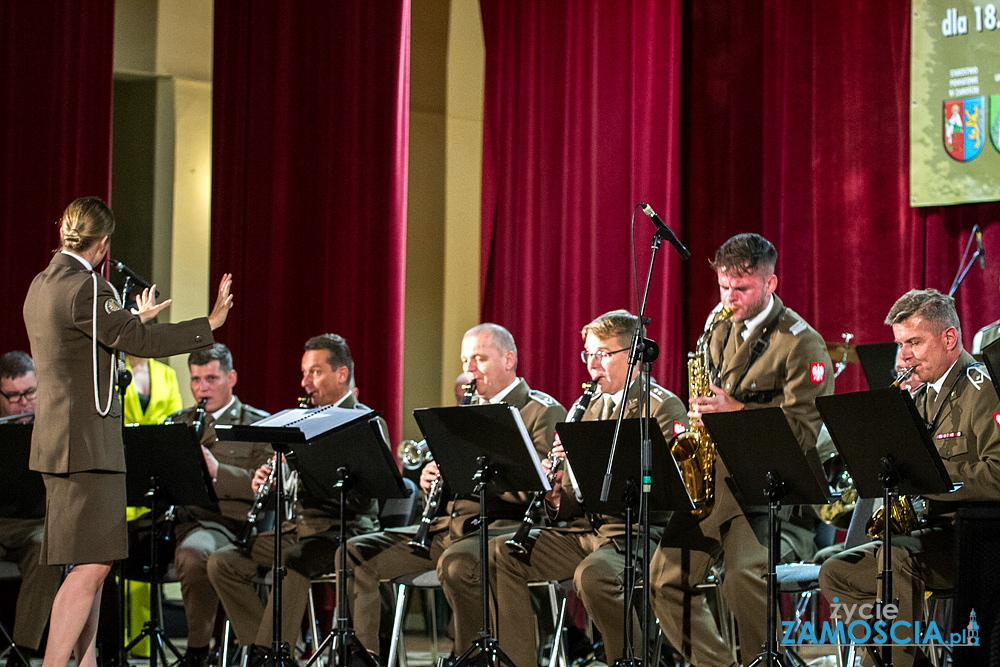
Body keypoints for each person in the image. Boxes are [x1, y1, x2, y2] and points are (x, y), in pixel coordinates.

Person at [22, 196, 233, 667]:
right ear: (103, 244)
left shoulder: (41, 285)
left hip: (57, 446)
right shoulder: (87, 288)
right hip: (87, 450)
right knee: (94, 565)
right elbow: (141, 343)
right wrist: (209, 325)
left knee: (86, 565)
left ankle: (86, 661)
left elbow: (92, 343)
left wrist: (129, 321)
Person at [648, 233, 833, 667]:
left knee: (743, 578)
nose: (729, 299)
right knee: (664, 579)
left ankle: (765, 661)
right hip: (717, 484)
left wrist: (735, 412)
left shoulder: (801, 343)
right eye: (723, 287)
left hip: (771, 491)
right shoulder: (719, 328)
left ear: (771, 284)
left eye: (741, 289)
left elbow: (805, 432)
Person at [341, 323, 566, 660]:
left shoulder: (541, 411)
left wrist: (467, 475)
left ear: (509, 360)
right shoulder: (466, 409)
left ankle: (472, 656)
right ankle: (364, 656)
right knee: (354, 552)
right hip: (447, 528)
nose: (469, 370)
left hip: (501, 529)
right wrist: (432, 477)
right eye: (464, 361)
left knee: (457, 565)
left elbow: (539, 489)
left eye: (479, 359)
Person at [491, 310, 688, 667]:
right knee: (502, 552)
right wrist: (554, 494)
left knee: (593, 576)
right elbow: (569, 505)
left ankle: (630, 661)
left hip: (638, 531)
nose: (592, 365)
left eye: (602, 354)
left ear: (631, 356)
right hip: (585, 532)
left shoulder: (661, 405)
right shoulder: (584, 410)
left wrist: (595, 463)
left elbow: (664, 492)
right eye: (588, 355)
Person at [819, 289, 1000, 667]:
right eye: (901, 344)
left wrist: (928, 478)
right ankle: (902, 660)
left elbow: (997, 475)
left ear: (949, 338)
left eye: (914, 342)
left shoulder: (983, 391)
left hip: (973, 542)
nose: (903, 356)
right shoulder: (919, 397)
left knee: (894, 557)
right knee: (836, 572)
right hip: (926, 537)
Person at [207, 334, 387, 656]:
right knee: (223, 563)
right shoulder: (301, 420)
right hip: (296, 530)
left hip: (340, 531)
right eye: (304, 373)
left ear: (342, 374)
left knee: (292, 560)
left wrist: (309, 471)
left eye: (315, 372)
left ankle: (270, 654)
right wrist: (273, 479)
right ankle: (269, 651)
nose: (306, 382)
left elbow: (365, 499)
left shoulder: (366, 421)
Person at [163, 344, 271, 667]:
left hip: (227, 524)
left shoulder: (256, 424)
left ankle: (197, 652)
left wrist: (218, 471)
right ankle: (109, 651)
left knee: (193, 553)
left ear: (231, 377)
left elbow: (264, 487)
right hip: (178, 520)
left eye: (211, 378)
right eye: (195, 379)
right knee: (104, 552)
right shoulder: (177, 422)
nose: (201, 388)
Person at [0, 352, 63, 667]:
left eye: (29, 394)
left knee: (46, 552)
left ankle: (21, 653)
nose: (22, 403)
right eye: (12, 397)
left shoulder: (58, 426)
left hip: (37, 525)